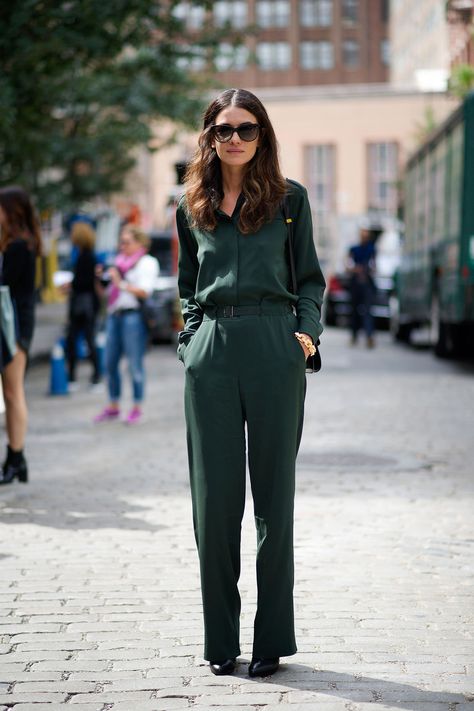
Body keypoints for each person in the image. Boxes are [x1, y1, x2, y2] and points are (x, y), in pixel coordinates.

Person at [177, 88, 325, 678]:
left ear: (262, 135)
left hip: (273, 349)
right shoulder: (193, 204)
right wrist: (190, 342)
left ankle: (272, 639)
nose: (233, 138)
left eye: (245, 128)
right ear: (209, 137)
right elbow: (188, 285)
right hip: (211, 352)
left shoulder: (291, 200)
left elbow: (310, 278)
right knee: (214, 504)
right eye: (222, 129)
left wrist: (305, 334)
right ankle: (221, 641)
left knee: (274, 503)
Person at [93, 225, 158, 425]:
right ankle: (113, 405)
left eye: (127, 242)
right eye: (120, 242)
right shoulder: (117, 263)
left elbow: (145, 291)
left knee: (134, 364)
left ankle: (137, 406)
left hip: (134, 317)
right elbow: (105, 294)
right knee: (109, 363)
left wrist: (120, 283)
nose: (122, 246)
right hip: (114, 316)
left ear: (140, 242)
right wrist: (99, 279)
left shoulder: (147, 263)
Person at [0, 186, 42, 485]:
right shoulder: (17, 244)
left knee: (13, 393)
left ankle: (16, 457)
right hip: (14, 324)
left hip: (12, 326)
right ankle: (17, 458)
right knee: (12, 393)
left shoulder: (18, 247)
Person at [64, 221, 100, 389]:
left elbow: (85, 282)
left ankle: (93, 376)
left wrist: (71, 285)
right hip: (84, 303)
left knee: (83, 339)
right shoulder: (83, 255)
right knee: (79, 339)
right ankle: (79, 376)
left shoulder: (86, 256)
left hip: (84, 303)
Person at [347, 227, 376, 348]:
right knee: (354, 311)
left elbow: (374, 265)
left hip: (367, 284)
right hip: (355, 284)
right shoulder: (354, 249)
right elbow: (348, 264)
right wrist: (355, 269)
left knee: (367, 311)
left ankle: (369, 336)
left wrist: (367, 271)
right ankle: (354, 336)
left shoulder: (371, 249)